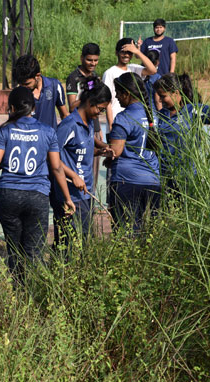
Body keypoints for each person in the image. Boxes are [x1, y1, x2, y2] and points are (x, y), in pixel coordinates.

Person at [0, 86, 76, 277]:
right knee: (34, 249)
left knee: (14, 247)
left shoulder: (5, 130)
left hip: (9, 193)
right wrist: (67, 198)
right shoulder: (47, 131)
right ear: (33, 108)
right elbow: (57, 166)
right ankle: (34, 290)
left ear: (11, 107)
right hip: (38, 194)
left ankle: (17, 291)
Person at [153, 72, 210, 193]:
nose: (160, 100)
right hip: (165, 175)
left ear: (176, 93)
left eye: (163, 96)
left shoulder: (192, 110)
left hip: (186, 176)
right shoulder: (162, 115)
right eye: (159, 96)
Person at [52, 78, 113, 251]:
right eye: (99, 109)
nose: (99, 114)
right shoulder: (69, 124)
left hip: (85, 193)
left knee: (84, 240)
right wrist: (72, 176)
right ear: (89, 102)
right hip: (70, 194)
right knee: (68, 243)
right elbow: (52, 157)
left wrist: (102, 150)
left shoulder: (87, 124)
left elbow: (83, 148)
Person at [106, 73, 161, 234]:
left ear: (127, 94)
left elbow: (115, 151)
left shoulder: (124, 118)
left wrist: (100, 152)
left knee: (126, 232)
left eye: (118, 92)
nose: (116, 96)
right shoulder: (153, 115)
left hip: (127, 181)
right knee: (148, 233)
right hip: (152, 180)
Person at [66, 42, 110, 184]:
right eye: (89, 60)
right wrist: (86, 95)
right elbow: (72, 106)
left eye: (96, 60)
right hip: (79, 128)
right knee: (80, 165)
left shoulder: (95, 77)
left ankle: (91, 201)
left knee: (94, 168)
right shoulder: (74, 78)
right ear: (82, 58)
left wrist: (98, 129)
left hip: (93, 127)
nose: (93, 63)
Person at [102, 38, 157, 130]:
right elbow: (108, 101)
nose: (126, 55)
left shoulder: (134, 69)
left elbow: (153, 70)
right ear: (116, 53)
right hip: (117, 121)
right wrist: (111, 125)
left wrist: (137, 52)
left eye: (129, 53)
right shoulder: (109, 73)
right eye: (123, 52)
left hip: (133, 122)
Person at [12, 54, 69, 129]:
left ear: (37, 76)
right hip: (30, 139)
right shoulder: (18, 95)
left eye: (27, 84)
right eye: (21, 84)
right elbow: (13, 123)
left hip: (50, 139)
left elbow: (64, 115)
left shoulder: (54, 85)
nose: (23, 87)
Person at [143, 50, 162, 118]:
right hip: (153, 112)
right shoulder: (157, 78)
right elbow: (158, 101)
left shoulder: (140, 74)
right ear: (157, 62)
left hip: (141, 111)